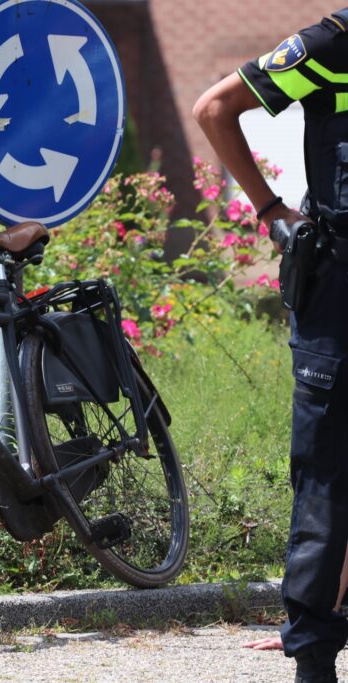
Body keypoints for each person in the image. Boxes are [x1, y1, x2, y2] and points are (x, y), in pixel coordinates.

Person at [194, 9, 348, 683]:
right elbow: (214, 109)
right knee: (325, 474)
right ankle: (314, 656)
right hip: (339, 286)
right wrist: (268, 208)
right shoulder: (334, 45)